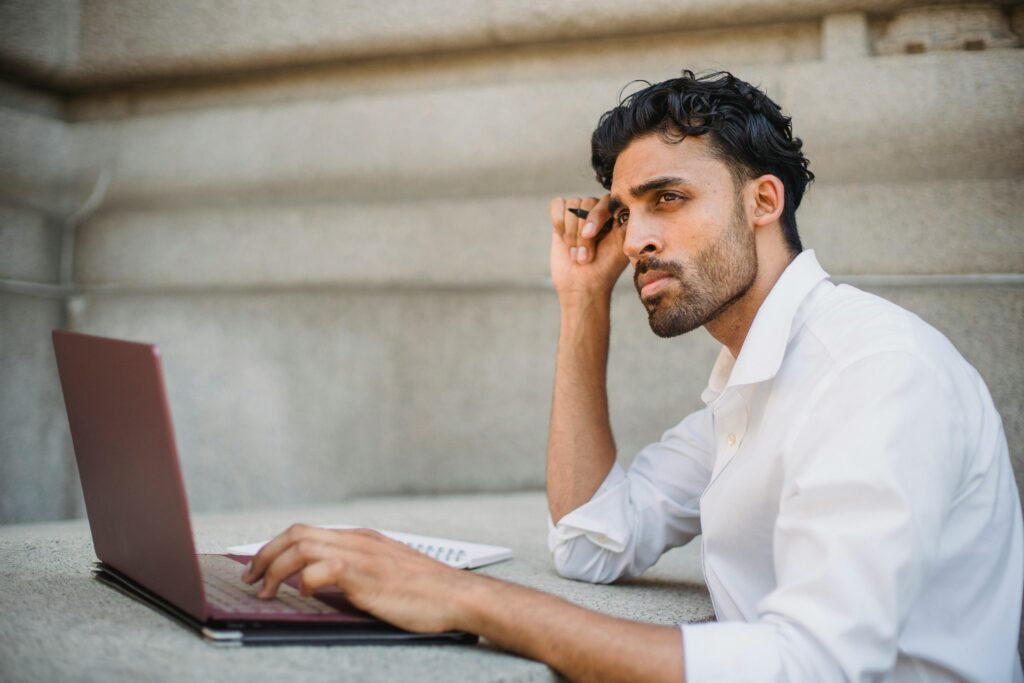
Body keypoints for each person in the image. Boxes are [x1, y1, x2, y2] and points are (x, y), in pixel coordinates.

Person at [243, 71, 1024, 681]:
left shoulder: (872, 373)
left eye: (668, 199)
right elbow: (592, 540)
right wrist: (584, 299)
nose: (639, 238)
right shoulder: (750, 380)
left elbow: (814, 667)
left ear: (763, 200)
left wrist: (463, 596)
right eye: (623, 212)